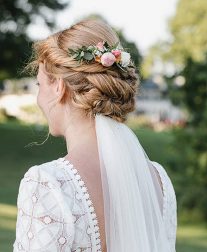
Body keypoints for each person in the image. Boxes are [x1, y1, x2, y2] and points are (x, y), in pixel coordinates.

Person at [13, 19, 177, 252]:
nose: (38, 98)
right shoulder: (159, 182)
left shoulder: (47, 185)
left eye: (40, 85)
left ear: (59, 86)